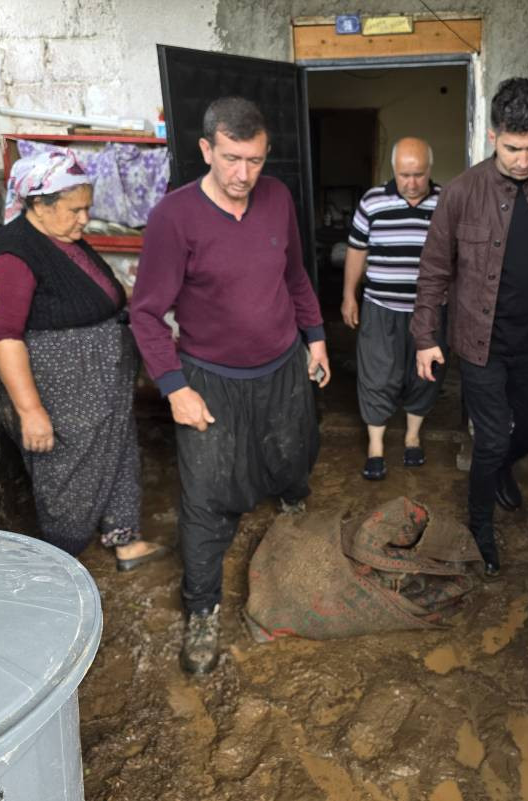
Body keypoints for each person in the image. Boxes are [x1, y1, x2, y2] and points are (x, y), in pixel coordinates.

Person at [130, 96, 330, 675]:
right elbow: (146, 314)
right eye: (232, 159)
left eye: (256, 160)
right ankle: (202, 610)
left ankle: (291, 502)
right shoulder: (174, 217)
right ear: (206, 150)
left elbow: (295, 275)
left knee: (293, 450)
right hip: (210, 379)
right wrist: (175, 387)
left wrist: (316, 337)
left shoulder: (278, 198)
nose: (244, 174)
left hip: (282, 365)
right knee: (206, 495)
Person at [412, 78, 528, 577]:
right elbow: (433, 271)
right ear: (493, 136)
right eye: (513, 148)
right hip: (479, 342)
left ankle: (500, 469)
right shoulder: (462, 192)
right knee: (489, 440)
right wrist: (424, 337)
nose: (524, 159)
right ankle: (480, 529)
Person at [0, 150, 167, 570]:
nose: (85, 219)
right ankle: (61, 564)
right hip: (62, 392)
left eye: (87, 208)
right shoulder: (11, 254)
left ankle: (125, 539)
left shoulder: (63, 238)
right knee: (68, 474)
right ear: (38, 204)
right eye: (75, 210)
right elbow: (4, 337)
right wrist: (31, 412)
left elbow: (95, 295)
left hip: (101, 383)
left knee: (117, 451)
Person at [342, 137, 445, 480]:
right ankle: (376, 447)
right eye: (404, 175)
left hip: (429, 311)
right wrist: (349, 295)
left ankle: (413, 437)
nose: (411, 183)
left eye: (419, 175)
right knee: (377, 374)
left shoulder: (446, 202)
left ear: (430, 170)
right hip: (380, 307)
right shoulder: (372, 201)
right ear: (393, 170)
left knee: (425, 375)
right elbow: (357, 249)